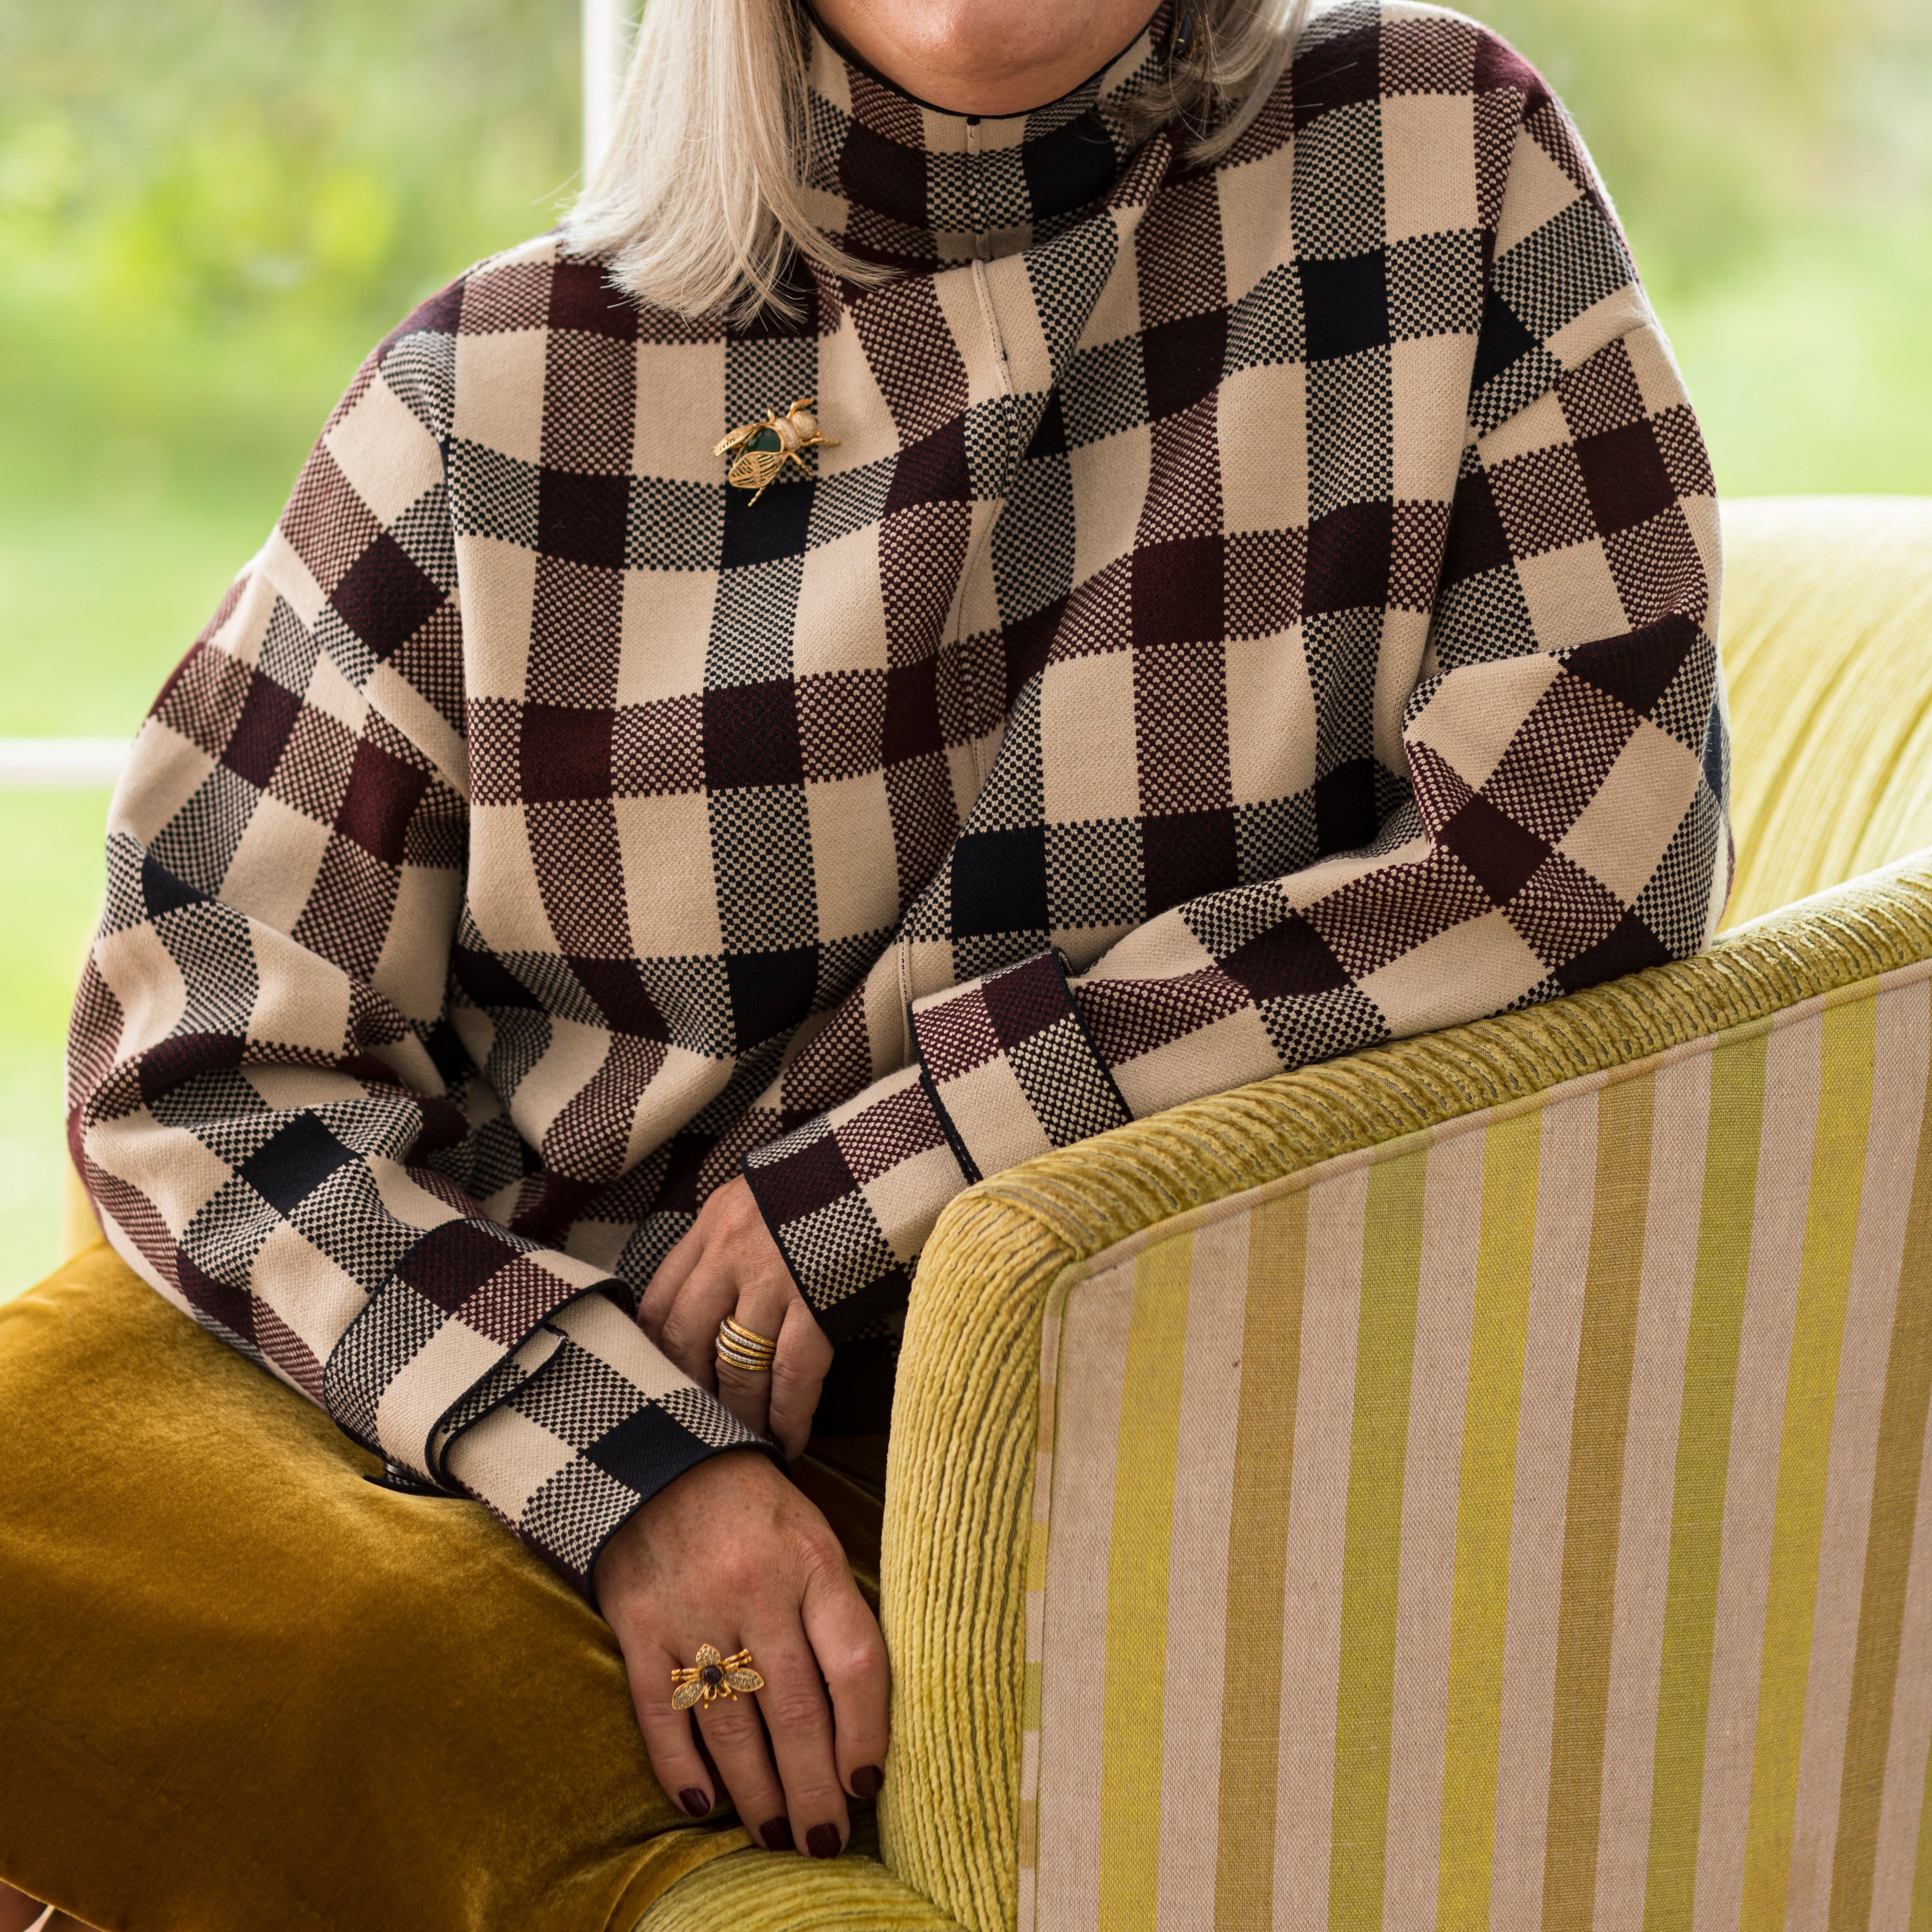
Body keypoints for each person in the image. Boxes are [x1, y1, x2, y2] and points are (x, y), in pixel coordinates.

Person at [15, 0, 1726, 1916]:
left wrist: (925, 1147)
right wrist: (625, 1462)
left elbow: (1584, 845)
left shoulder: (1432, 158)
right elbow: (194, 1049)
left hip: (1070, 1455)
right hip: (488, 1385)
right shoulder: (485, 391)